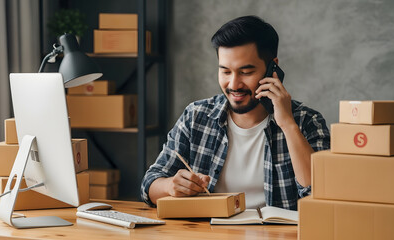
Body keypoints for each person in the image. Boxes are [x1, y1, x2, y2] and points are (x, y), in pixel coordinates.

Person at [141, 15, 330, 210]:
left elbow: (321, 196)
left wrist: (288, 125)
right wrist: (170, 186)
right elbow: (149, 185)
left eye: (246, 72)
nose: (233, 84)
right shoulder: (196, 117)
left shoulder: (308, 121)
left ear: (273, 68)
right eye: (225, 71)